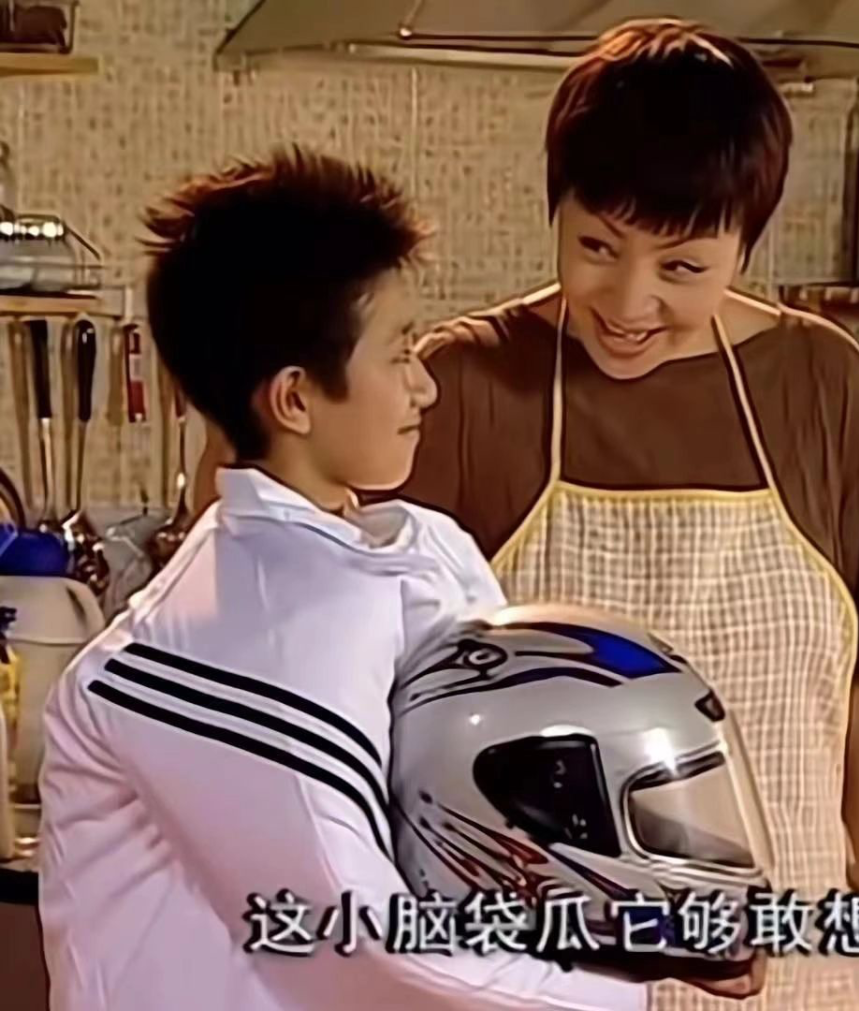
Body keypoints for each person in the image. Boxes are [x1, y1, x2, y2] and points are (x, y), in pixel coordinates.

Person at [194, 20, 859, 1011]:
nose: (628, 301)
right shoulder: (462, 385)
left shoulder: (821, 385)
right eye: (596, 246)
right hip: (533, 987)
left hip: (795, 981)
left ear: (745, 242)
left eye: (683, 267)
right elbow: (277, 602)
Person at [36, 147, 649, 1011]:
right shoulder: (231, 634)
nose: (424, 387)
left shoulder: (424, 547)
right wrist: (627, 977)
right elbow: (361, 939)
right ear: (295, 399)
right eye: (398, 355)